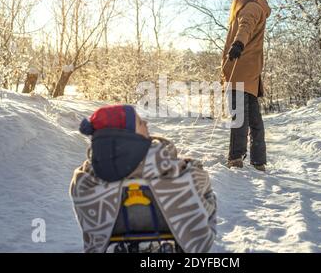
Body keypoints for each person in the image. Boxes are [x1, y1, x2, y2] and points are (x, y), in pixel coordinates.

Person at [69, 104, 217, 253]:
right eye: (140, 123)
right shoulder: (179, 172)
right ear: (127, 137)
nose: (146, 123)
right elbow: (206, 200)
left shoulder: (85, 182)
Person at [221, 0, 271, 171]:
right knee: (253, 116)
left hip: (241, 68)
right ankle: (258, 161)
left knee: (239, 115)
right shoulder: (257, 6)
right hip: (251, 70)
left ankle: (235, 158)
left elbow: (245, 26)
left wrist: (238, 44)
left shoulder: (251, 7)